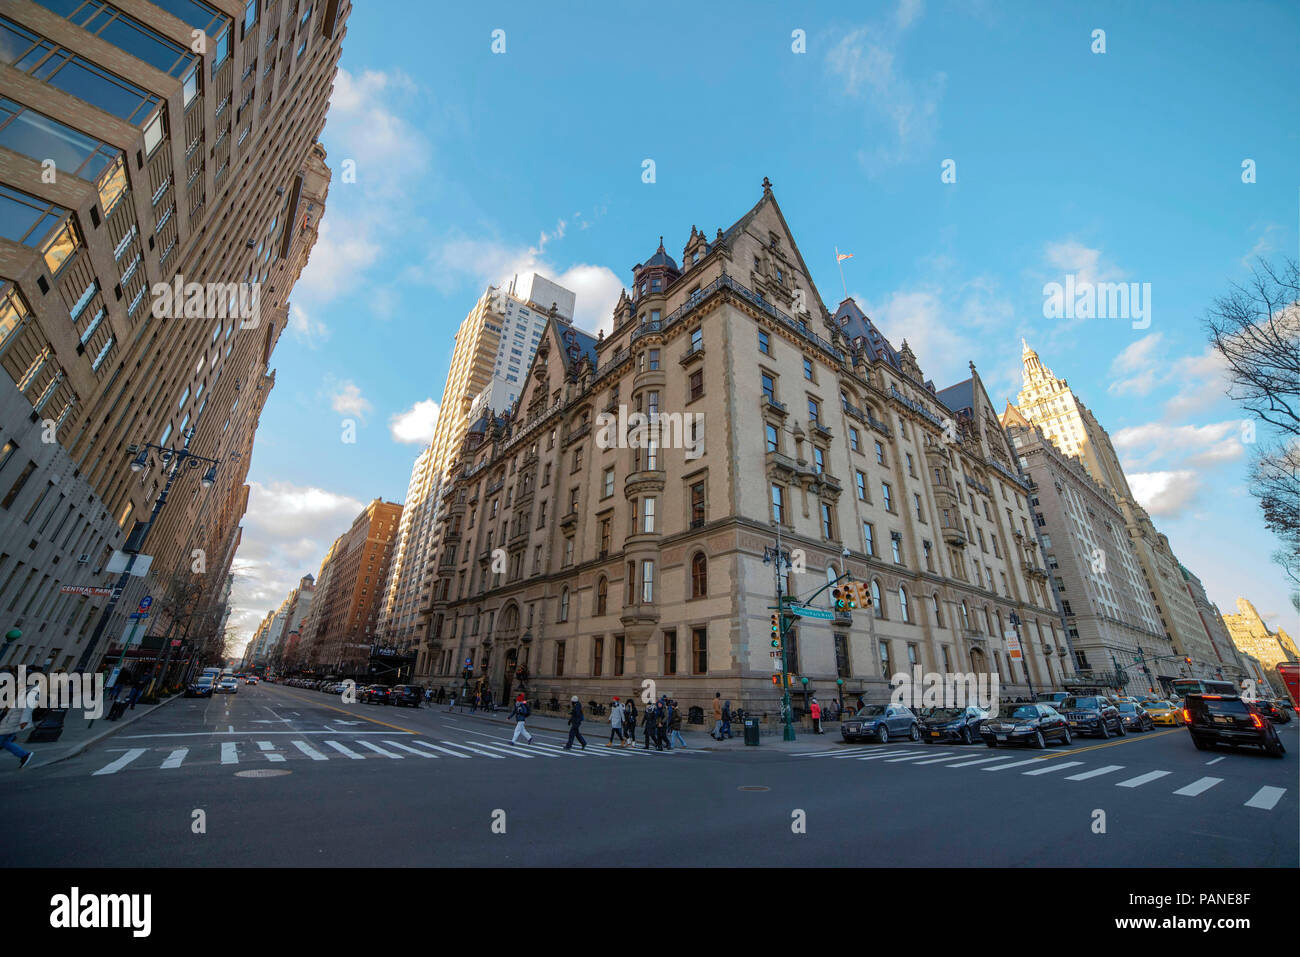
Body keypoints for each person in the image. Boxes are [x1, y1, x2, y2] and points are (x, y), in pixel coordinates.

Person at [0, 699, 34, 768]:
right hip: (10, 725)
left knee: (4, 742)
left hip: (8, 725)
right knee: (5, 742)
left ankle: (24, 755)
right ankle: (24, 755)